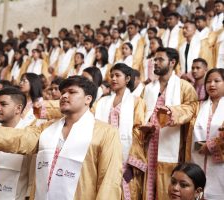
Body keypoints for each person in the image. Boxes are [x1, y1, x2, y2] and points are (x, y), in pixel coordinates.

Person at [0, 76, 123, 199]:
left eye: (72, 92)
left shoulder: (106, 133)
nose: (64, 96)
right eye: (63, 92)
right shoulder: (47, 129)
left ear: (88, 99)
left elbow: (109, 183)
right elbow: (18, 139)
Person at [140, 47, 197, 200]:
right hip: (149, 144)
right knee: (149, 187)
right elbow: (139, 111)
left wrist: (172, 112)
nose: (155, 63)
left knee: (168, 188)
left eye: (160, 60)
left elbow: (192, 108)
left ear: (172, 62)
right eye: (154, 60)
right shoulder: (147, 89)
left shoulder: (184, 87)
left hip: (171, 146)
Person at [158, 68, 224, 199]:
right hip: (196, 160)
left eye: (217, 81)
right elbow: (184, 110)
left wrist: (211, 145)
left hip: (219, 165)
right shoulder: (198, 106)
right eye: (208, 81)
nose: (211, 85)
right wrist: (171, 111)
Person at [95, 63, 146, 200]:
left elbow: (138, 132)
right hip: (105, 153)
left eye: (118, 75)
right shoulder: (102, 102)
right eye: (111, 76)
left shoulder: (136, 101)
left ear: (128, 79)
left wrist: (131, 162)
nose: (113, 79)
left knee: (127, 190)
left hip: (125, 155)